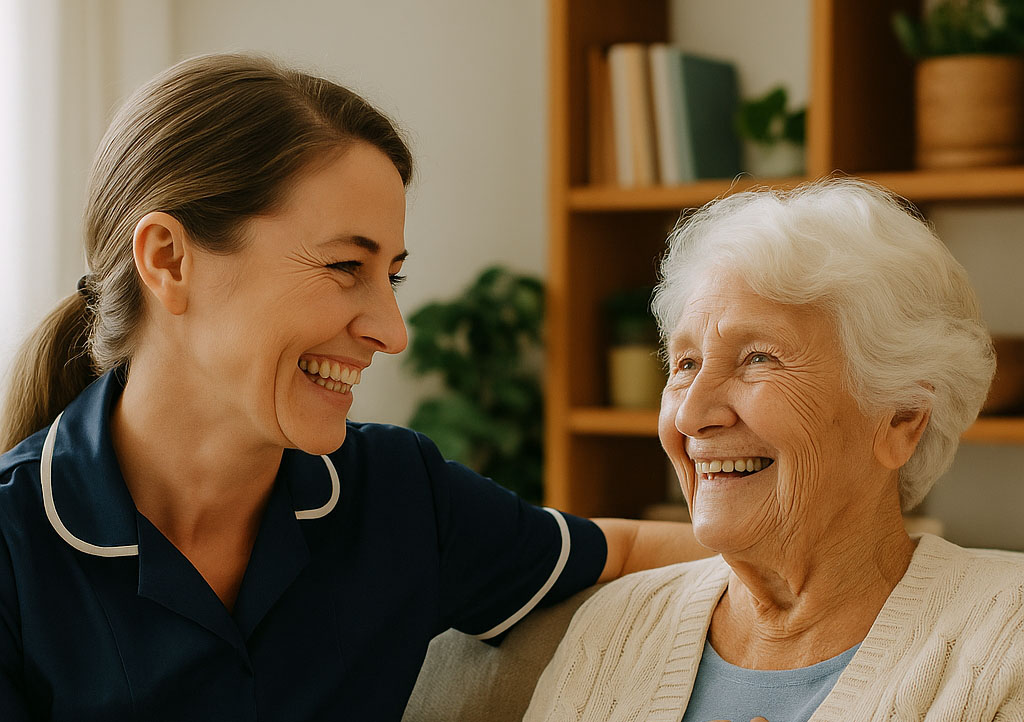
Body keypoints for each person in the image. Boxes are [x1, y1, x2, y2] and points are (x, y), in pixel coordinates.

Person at [0, 54, 707, 721]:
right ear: (169, 260)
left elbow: (624, 554)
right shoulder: (12, 549)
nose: (392, 332)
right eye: (345, 266)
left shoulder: (399, 495)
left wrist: (808, 560)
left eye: (391, 276)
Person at [523, 179, 1024, 721]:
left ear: (901, 417)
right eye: (685, 364)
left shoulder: (1005, 641)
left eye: (758, 359)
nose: (691, 415)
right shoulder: (613, 631)